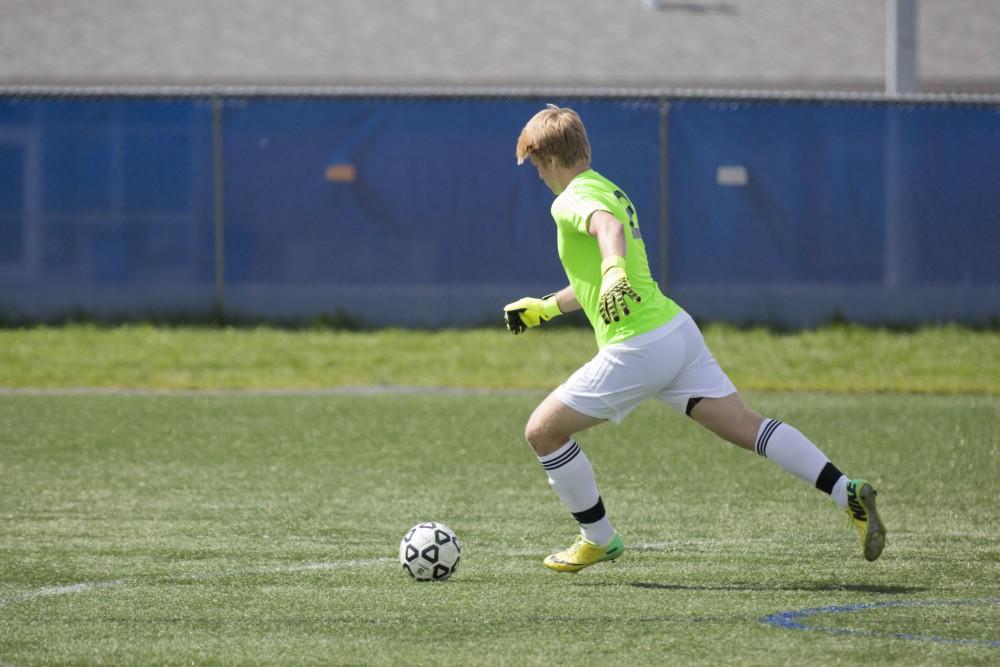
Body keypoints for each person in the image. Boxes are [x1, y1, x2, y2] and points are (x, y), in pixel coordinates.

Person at [504, 104, 886, 573]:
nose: (537, 175)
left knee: (542, 431)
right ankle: (845, 490)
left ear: (547, 157)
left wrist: (612, 271)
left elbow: (607, 230)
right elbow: (601, 276)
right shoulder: (607, 186)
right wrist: (545, 308)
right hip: (675, 333)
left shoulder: (571, 198)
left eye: (536, 164)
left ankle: (598, 538)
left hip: (638, 346)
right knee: (749, 426)